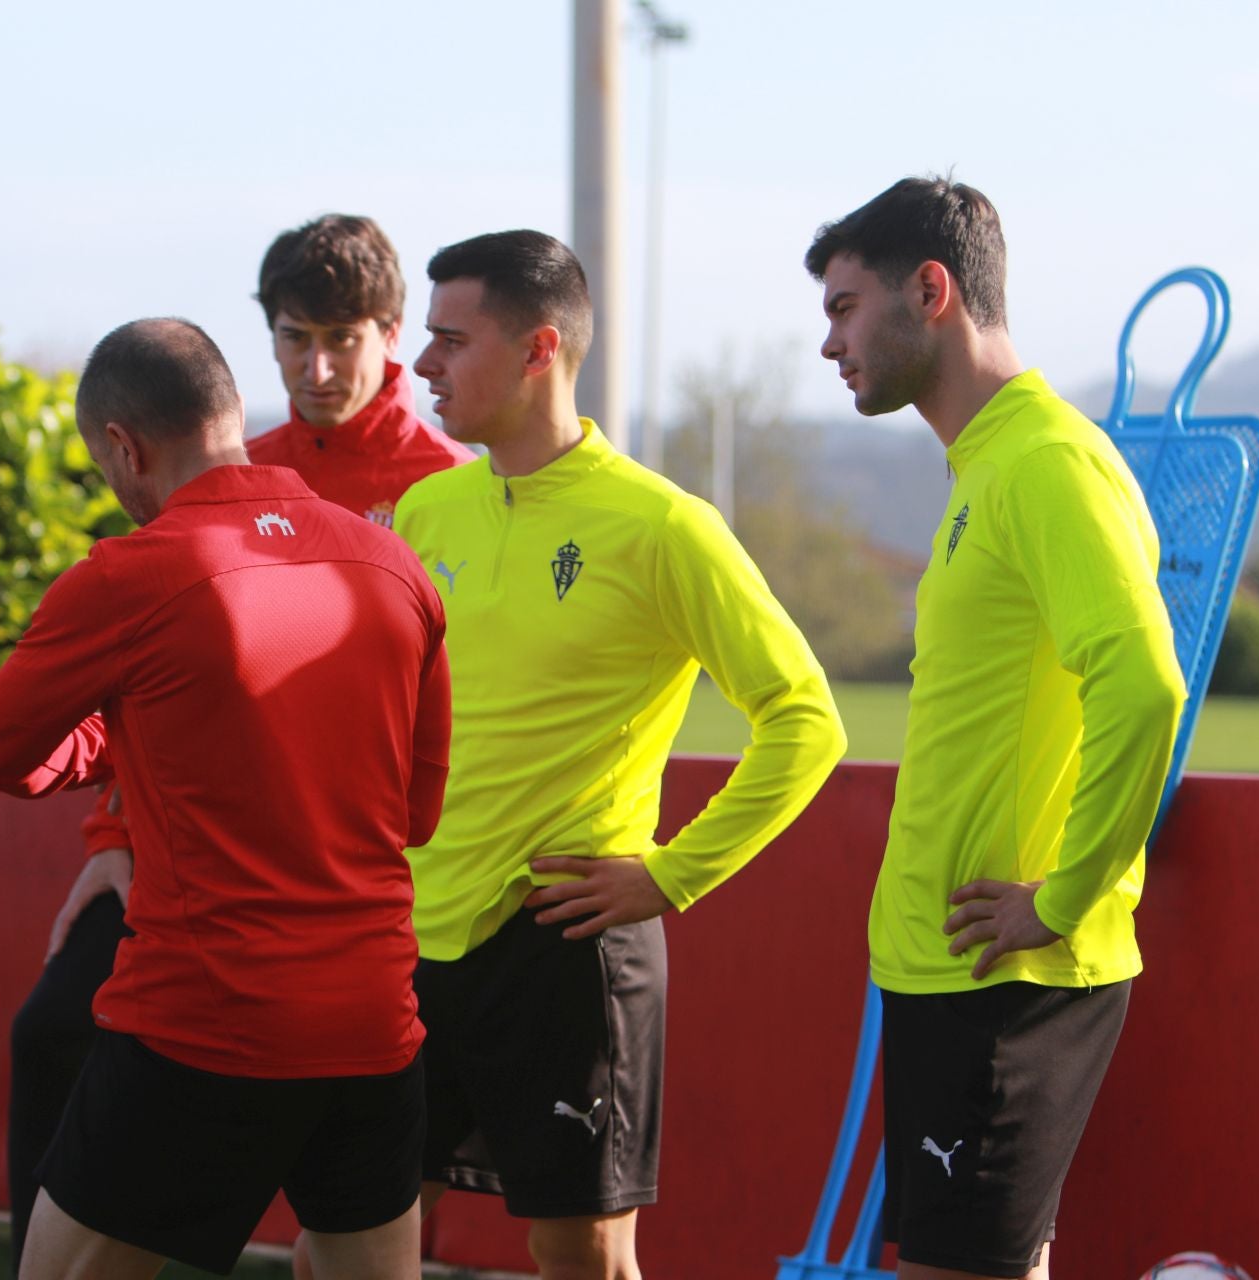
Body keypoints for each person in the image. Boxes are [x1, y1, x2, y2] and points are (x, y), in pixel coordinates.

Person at [4, 214, 472, 1270]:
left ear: (389, 334)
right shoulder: (229, 471)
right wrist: (109, 835)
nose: (317, 365)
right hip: (215, 899)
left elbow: (421, 767)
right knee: (49, 1030)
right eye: (293, 337)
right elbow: (146, 688)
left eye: (343, 338)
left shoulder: (446, 490)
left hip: (383, 900)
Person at [392, 230, 847, 1280]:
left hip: (562, 944)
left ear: (539, 348)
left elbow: (804, 716)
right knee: (353, 1235)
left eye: (451, 342)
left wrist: (673, 872)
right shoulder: (426, 510)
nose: (424, 366)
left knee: (583, 1254)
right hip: (409, 940)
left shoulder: (661, 525)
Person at [806, 177, 1185, 1280]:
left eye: (843, 306)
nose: (829, 343)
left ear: (931, 291)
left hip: (1009, 984)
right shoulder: (983, 465)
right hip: (951, 974)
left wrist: (1061, 898)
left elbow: (1144, 684)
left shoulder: (1047, 460)